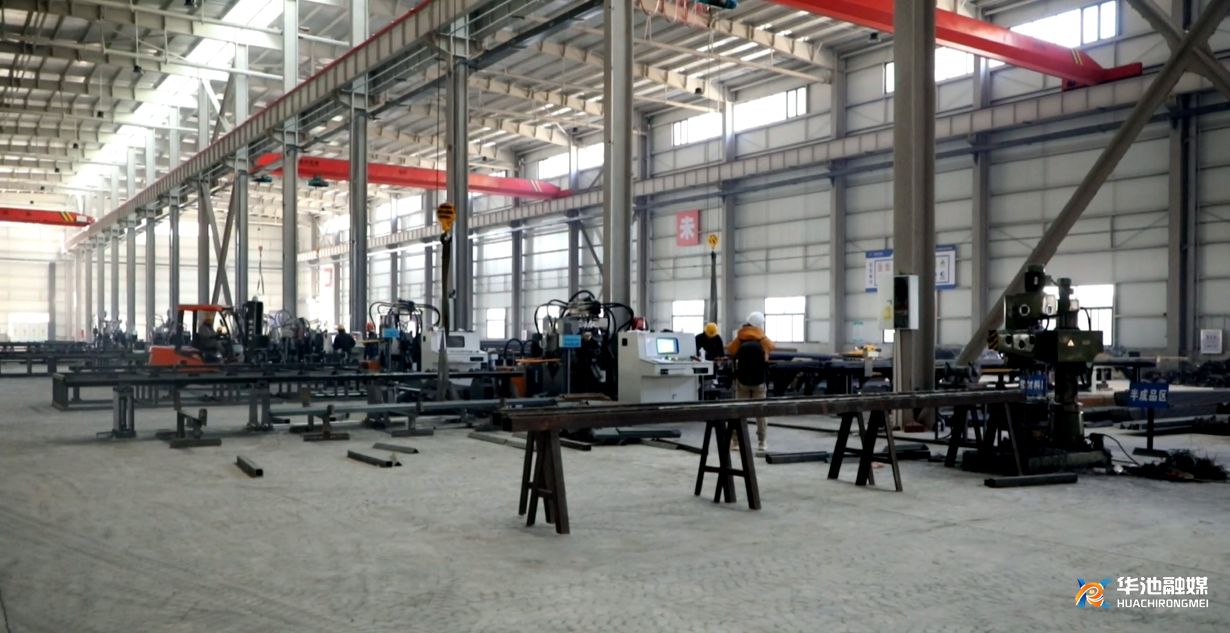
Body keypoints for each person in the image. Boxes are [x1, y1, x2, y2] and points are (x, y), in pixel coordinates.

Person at [726, 311, 774, 455]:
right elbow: (771, 347)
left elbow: (730, 350)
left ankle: (736, 442)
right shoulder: (762, 339)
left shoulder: (740, 337)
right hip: (759, 381)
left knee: (739, 412)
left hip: (742, 380)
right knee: (761, 413)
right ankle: (762, 442)